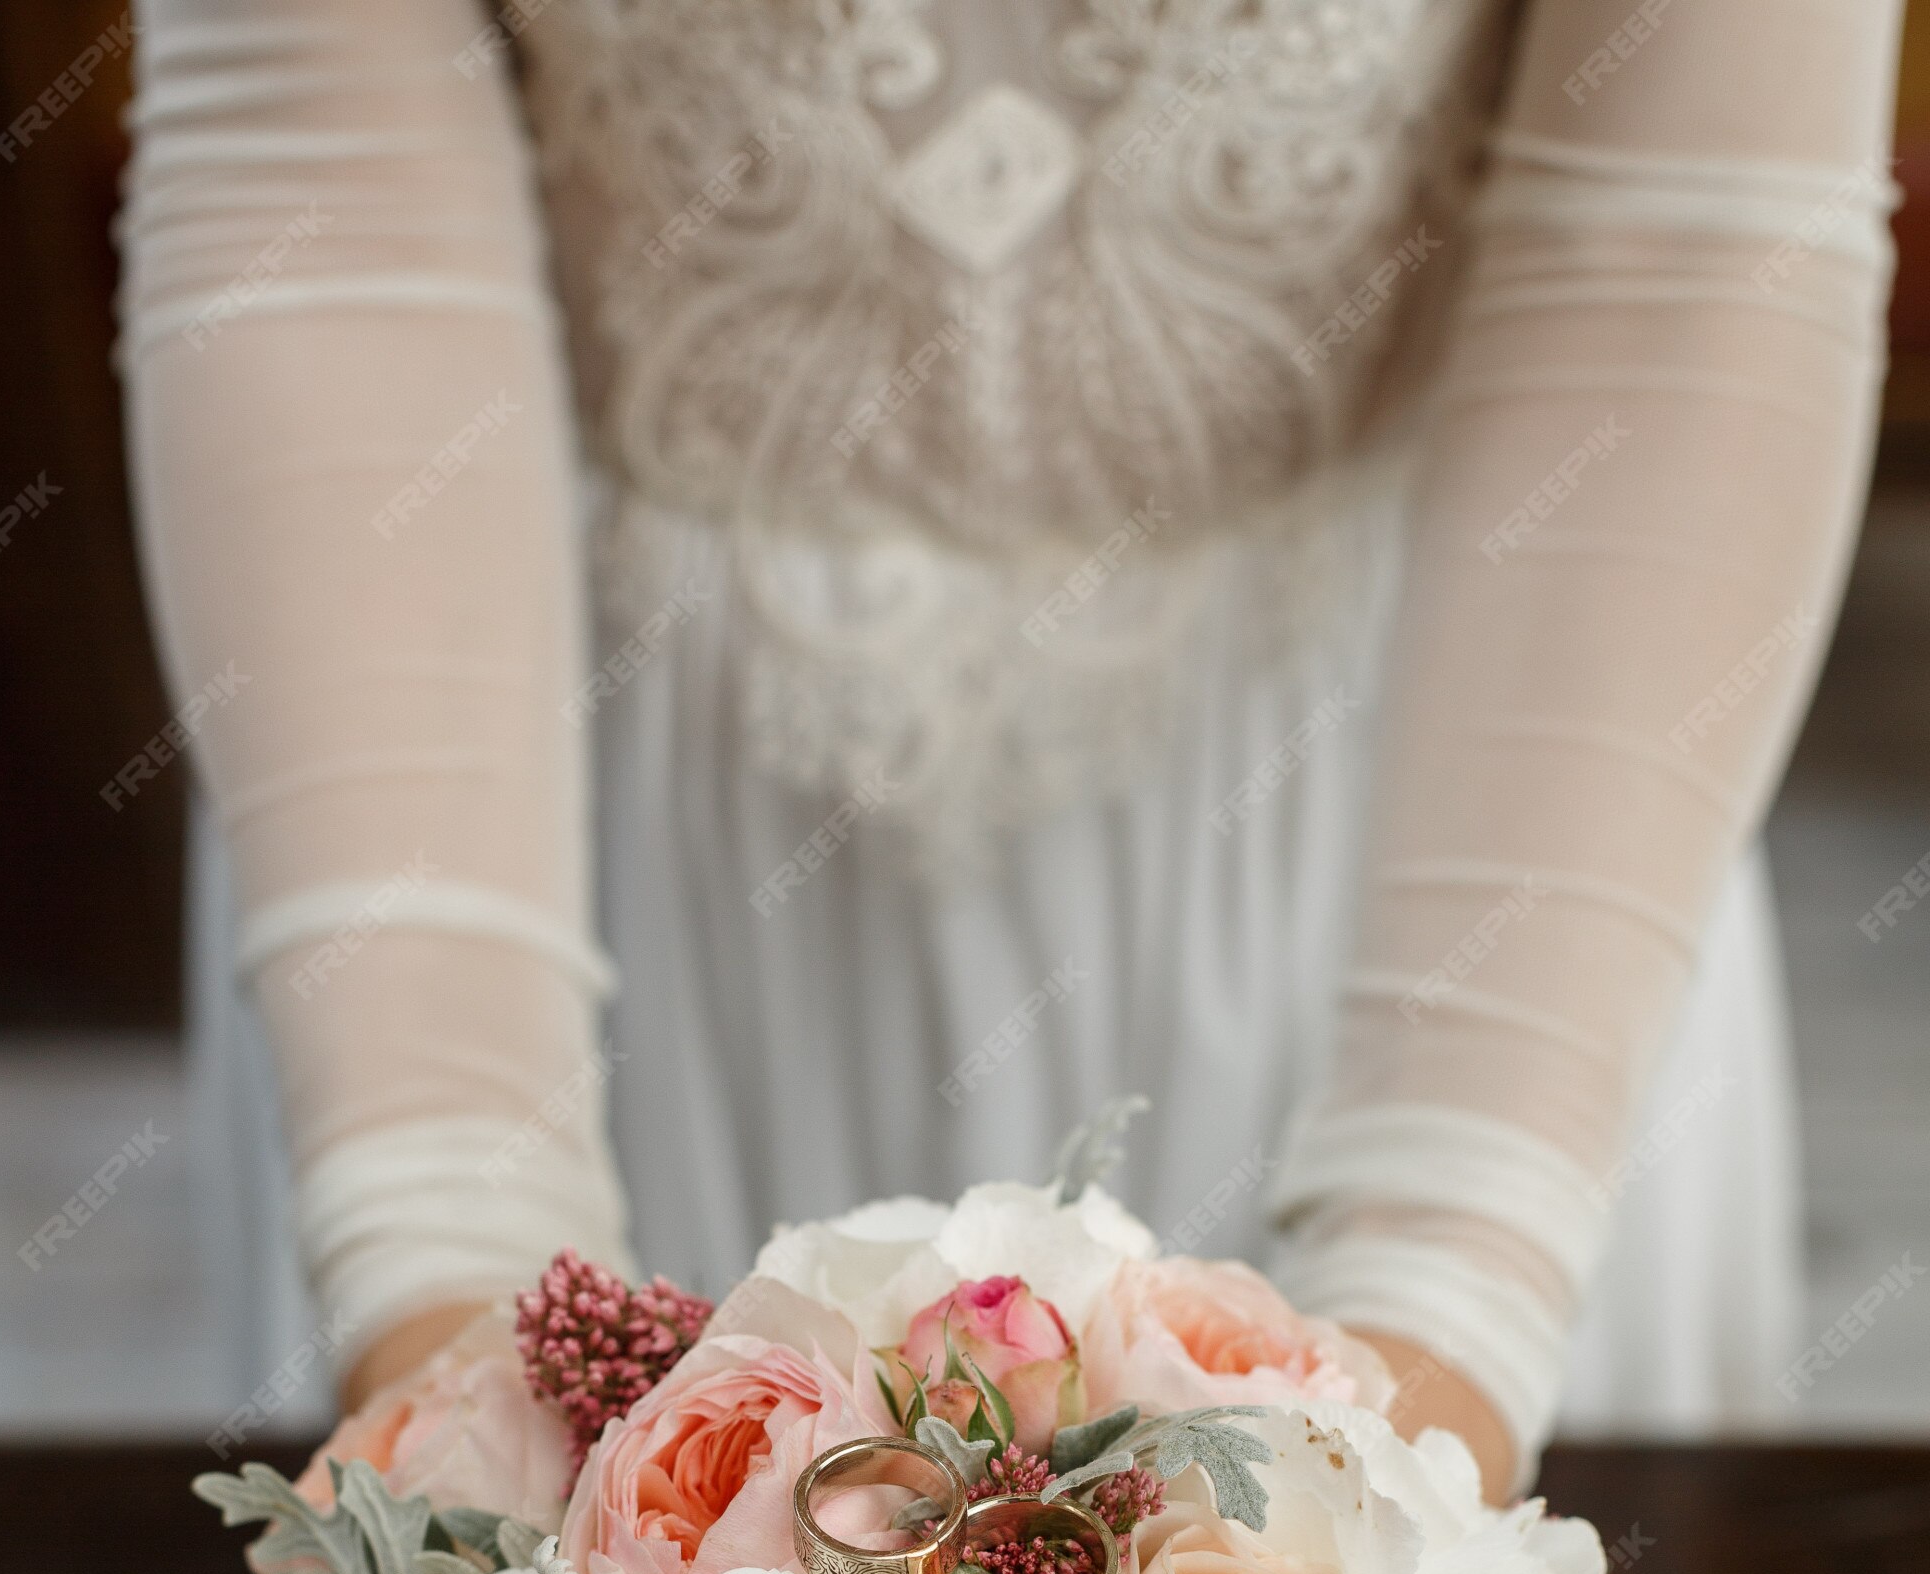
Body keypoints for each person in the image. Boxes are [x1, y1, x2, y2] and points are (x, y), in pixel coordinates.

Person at [119, 0, 1903, 1498]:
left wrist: (1446, 1306)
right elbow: (316, 190)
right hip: (538, 791)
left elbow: (1690, 233)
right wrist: (455, 1256)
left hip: (1465, 785)